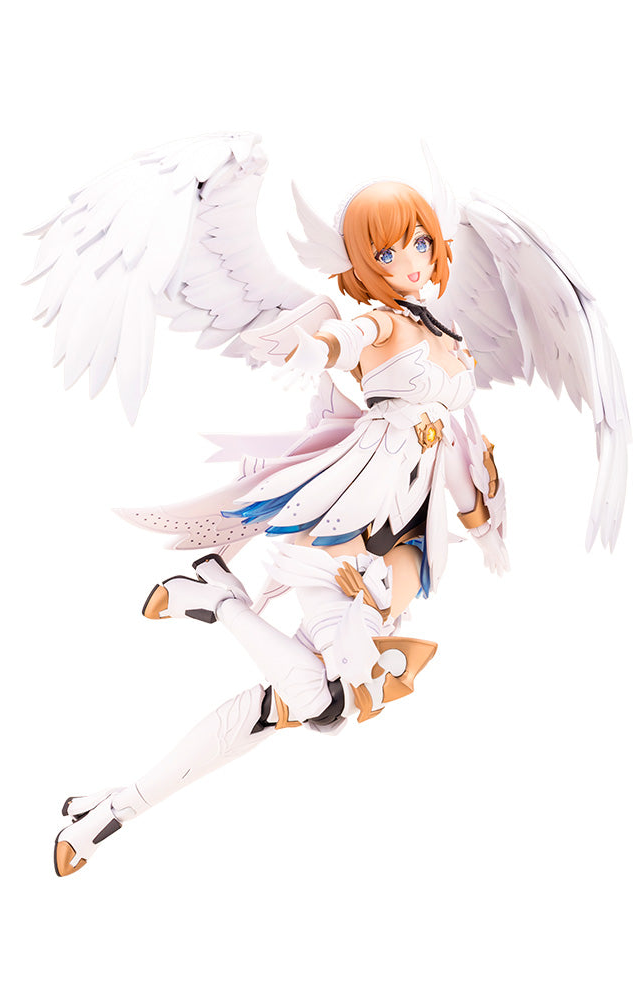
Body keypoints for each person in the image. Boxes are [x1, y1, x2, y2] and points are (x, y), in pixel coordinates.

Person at [54, 180, 508, 877]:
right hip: (343, 523)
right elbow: (342, 341)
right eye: (388, 252)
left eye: (419, 242)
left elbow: (451, 443)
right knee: (327, 704)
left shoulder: (446, 339)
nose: (411, 261)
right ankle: (219, 598)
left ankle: (113, 809)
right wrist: (311, 349)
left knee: (291, 709)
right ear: (365, 262)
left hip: (407, 539)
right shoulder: (379, 325)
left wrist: (481, 524)